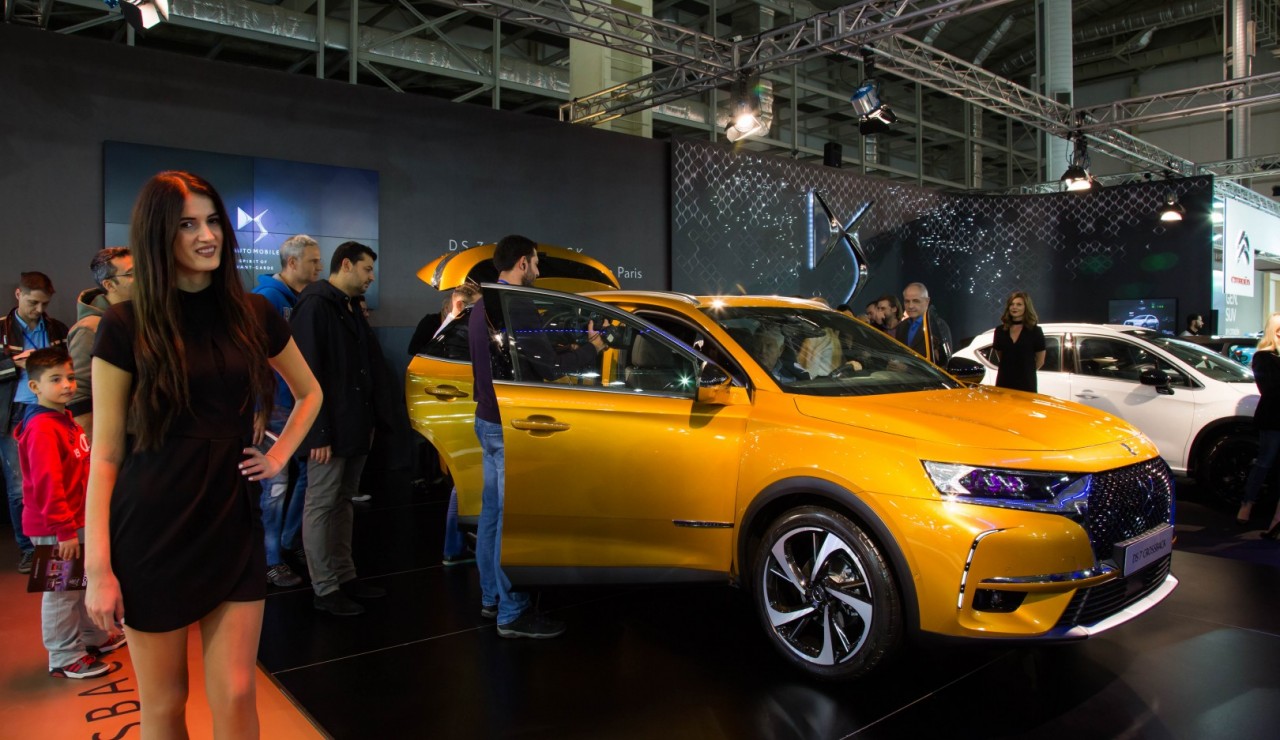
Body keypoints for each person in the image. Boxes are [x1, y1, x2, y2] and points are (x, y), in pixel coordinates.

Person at [84, 171, 321, 738]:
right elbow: (107, 455)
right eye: (188, 225)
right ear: (159, 235)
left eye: (213, 221)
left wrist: (278, 456)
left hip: (231, 518)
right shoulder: (124, 325)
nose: (207, 235)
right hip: (151, 529)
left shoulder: (253, 313)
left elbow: (310, 392)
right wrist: (97, 569)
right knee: (165, 703)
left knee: (237, 692)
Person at [468, 235, 604, 638]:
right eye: (536, 263)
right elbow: (548, 368)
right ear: (523, 263)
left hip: (487, 420)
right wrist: (592, 348)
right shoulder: (515, 304)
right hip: (509, 426)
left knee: (492, 517)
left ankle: (492, 598)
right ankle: (512, 613)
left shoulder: (482, 305)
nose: (539, 271)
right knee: (510, 521)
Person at [291, 240, 394, 617]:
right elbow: (306, 374)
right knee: (321, 505)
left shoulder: (347, 306)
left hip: (355, 424)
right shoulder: (315, 306)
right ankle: (325, 587)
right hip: (330, 430)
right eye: (367, 269)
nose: (371, 277)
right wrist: (317, 432)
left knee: (342, 501)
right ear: (347, 265)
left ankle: (344, 575)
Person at [18, 347, 125, 679]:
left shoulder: (62, 419)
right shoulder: (42, 429)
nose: (67, 385)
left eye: (70, 377)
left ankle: (92, 636)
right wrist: (63, 529)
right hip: (55, 527)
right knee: (61, 592)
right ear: (34, 387)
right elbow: (48, 485)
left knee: (79, 583)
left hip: (75, 520)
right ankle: (64, 655)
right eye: (55, 379)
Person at [253, 234, 324, 589]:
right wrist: (258, 408)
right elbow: (253, 361)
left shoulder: (302, 300)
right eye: (313, 261)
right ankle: (269, 560)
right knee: (275, 487)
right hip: (275, 407)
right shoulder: (266, 299)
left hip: (297, 404)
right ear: (292, 263)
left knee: (306, 476)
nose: (319, 267)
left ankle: (287, 541)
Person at [2, 271, 69, 574]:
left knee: (59, 479)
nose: (39, 310)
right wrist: (11, 366)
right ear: (18, 294)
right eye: (33, 303)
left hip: (52, 411)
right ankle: (30, 550)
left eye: (44, 304)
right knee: (20, 486)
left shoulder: (57, 329)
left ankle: (61, 543)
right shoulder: (2, 330)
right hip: (15, 413)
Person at [67, 248, 135, 444]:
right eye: (131, 273)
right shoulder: (90, 328)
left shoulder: (136, 320)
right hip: (115, 443)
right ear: (109, 284)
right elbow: (79, 396)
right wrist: (95, 450)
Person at [434, 284, 481, 567]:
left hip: (456, 417)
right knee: (463, 486)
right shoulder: (459, 334)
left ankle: (455, 546)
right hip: (465, 416)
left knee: (461, 485)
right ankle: (455, 547)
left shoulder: (447, 332)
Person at [1239, 313, 1280, 535]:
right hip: (1273, 417)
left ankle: (1275, 520)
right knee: (1264, 462)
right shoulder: (1264, 357)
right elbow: (1270, 388)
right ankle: (1247, 504)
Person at [991, 291, 1046, 393]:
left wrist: (1026, 372)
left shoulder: (1035, 331)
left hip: (1026, 384)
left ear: (1026, 307)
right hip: (1004, 383)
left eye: (1019, 304)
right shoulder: (1000, 331)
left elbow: (1040, 361)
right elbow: (1001, 356)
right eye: (1012, 304)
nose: (1014, 307)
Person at [894, 283, 952, 366]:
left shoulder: (938, 326)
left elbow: (943, 363)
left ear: (927, 301)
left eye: (916, 301)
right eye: (907, 301)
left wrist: (908, 368)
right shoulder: (901, 326)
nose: (910, 306)